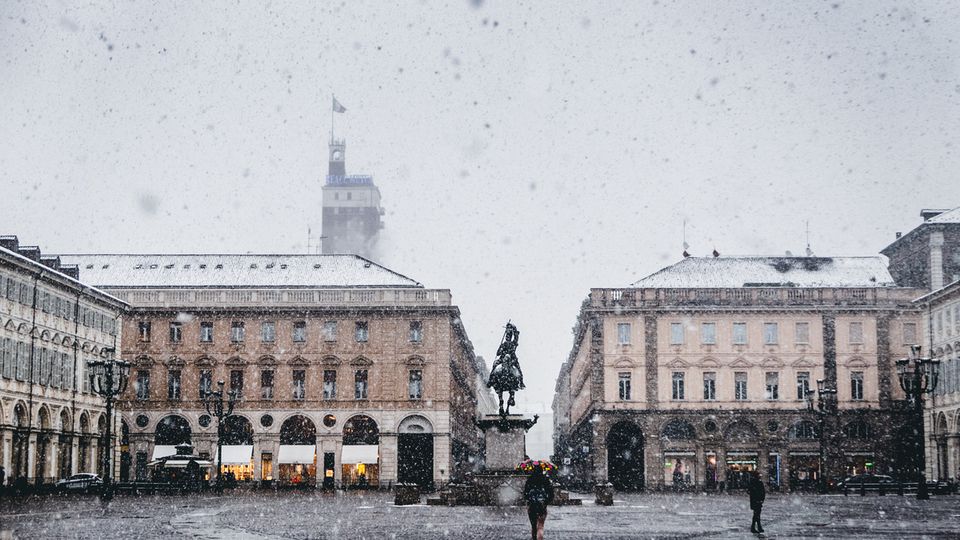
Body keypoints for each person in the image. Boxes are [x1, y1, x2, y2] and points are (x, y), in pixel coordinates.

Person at [523, 466, 555, 540]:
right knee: (540, 525)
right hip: (542, 505)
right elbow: (551, 493)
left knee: (533, 526)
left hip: (532, 505)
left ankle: (534, 538)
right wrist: (546, 502)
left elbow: (525, 493)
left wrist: (529, 500)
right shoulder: (545, 479)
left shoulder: (530, 479)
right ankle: (540, 538)